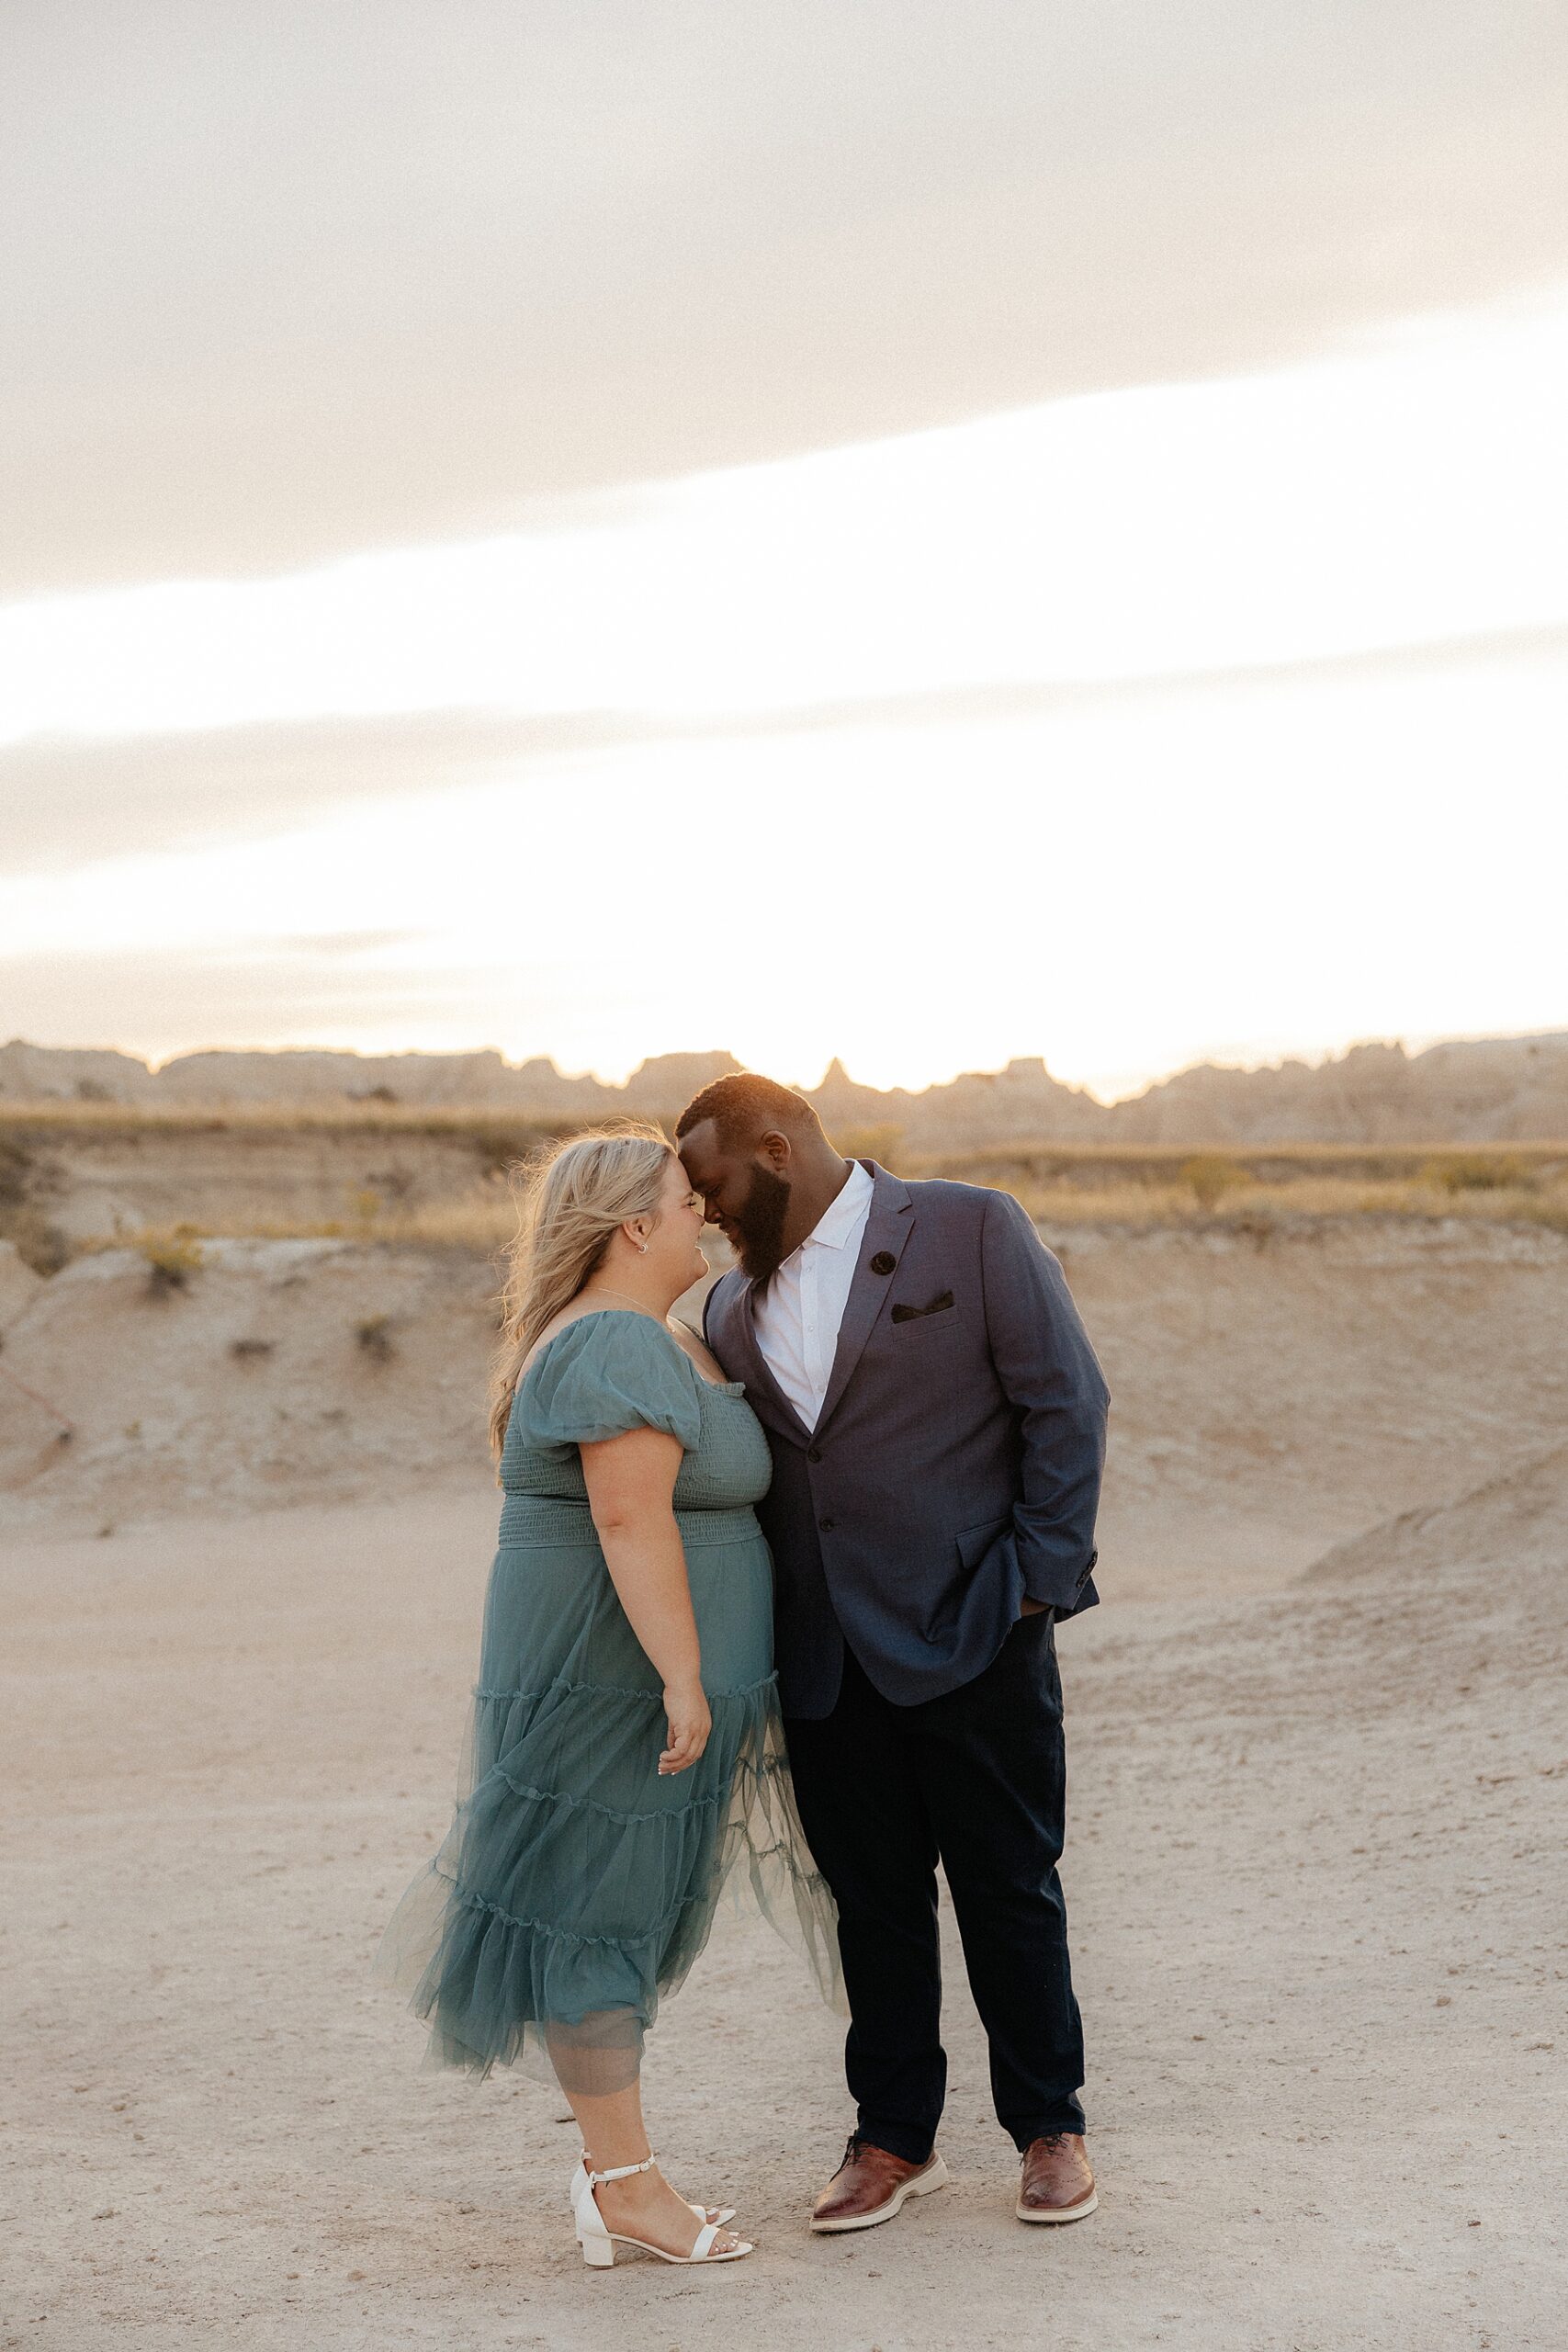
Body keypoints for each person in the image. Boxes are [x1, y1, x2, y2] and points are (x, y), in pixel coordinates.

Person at [376, 1124, 840, 2270]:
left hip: (652, 1682)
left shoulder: (664, 1337)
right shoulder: (614, 1347)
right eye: (688, 1199)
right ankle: (628, 2189)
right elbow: (629, 1520)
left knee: (619, 1916)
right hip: (614, 1682)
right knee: (595, 1916)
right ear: (637, 1224)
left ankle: (613, 2181)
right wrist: (684, 1674)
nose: (706, 1213)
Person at [678, 1072, 1110, 2233]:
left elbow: (1065, 1402)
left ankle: (1049, 2127)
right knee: (871, 1905)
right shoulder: (725, 1311)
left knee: (1009, 1888)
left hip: (980, 1628)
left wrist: (1035, 1583)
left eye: (714, 1185)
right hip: (824, 1654)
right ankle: (891, 2138)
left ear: (775, 1148)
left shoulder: (971, 1227)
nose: (708, 1212)